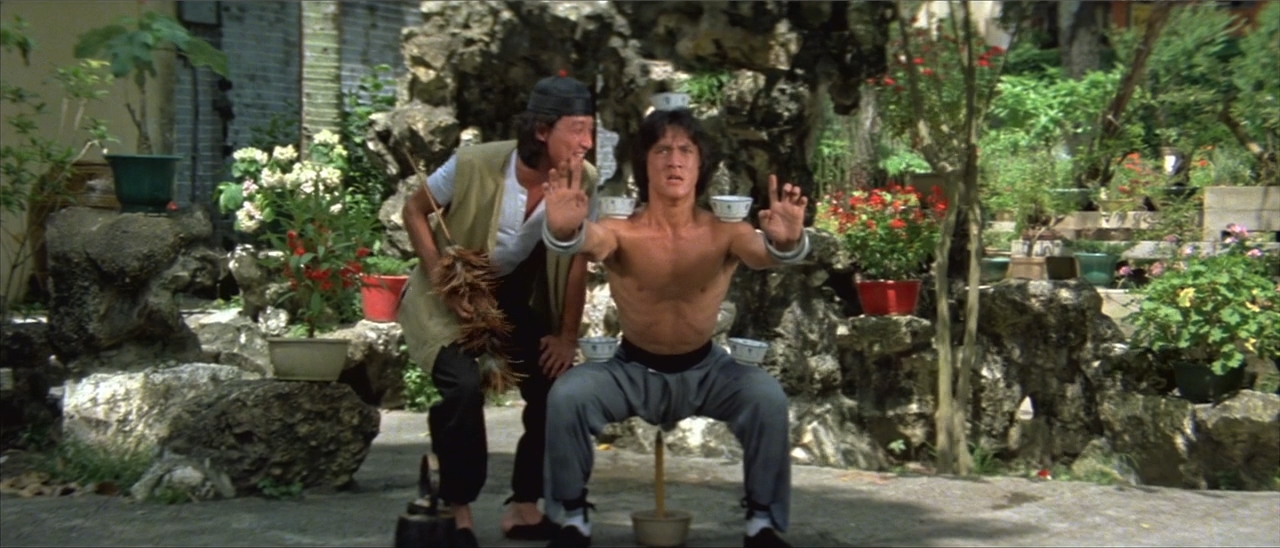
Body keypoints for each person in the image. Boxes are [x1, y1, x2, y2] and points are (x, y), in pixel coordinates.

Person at [539, 105, 809, 548]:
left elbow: (763, 254)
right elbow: (592, 240)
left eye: (686, 150)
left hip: (706, 370)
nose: (674, 161)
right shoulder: (621, 228)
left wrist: (788, 240)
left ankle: (762, 522)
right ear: (643, 164)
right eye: (662, 150)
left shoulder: (725, 230)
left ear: (701, 165)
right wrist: (567, 230)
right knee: (568, 395)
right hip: (630, 369)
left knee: (766, 397)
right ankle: (572, 517)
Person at [397, 73, 599, 548]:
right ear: (542, 130)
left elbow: (578, 260)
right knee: (464, 388)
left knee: (557, 386)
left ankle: (525, 503)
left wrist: (566, 336)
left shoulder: (583, 179)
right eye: (577, 129)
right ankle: (458, 506)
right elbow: (414, 210)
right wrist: (444, 278)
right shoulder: (475, 164)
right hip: (447, 296)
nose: (587, 143)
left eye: (591, 130)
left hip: (510, 300)